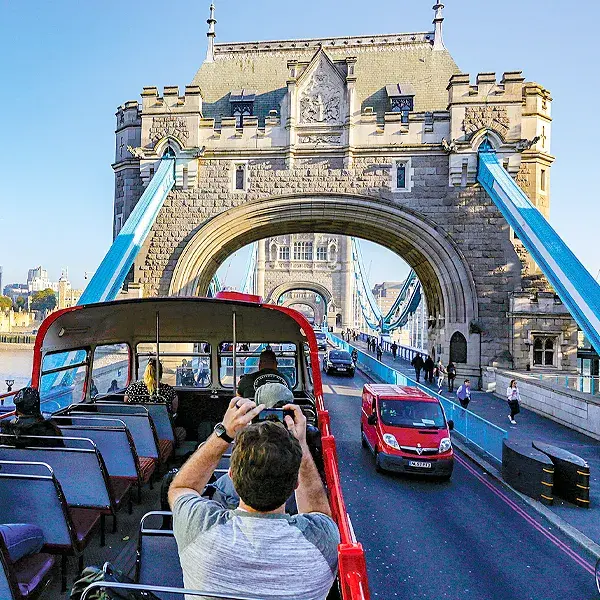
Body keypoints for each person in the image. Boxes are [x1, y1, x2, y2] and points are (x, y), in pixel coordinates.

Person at [168, 398, 340, 600]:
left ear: (231, 475)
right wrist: (300, 443)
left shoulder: (199, 528)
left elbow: (182, 487)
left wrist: (224, 433)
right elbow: (318, 511)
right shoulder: (322, 541)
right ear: (295, 484)